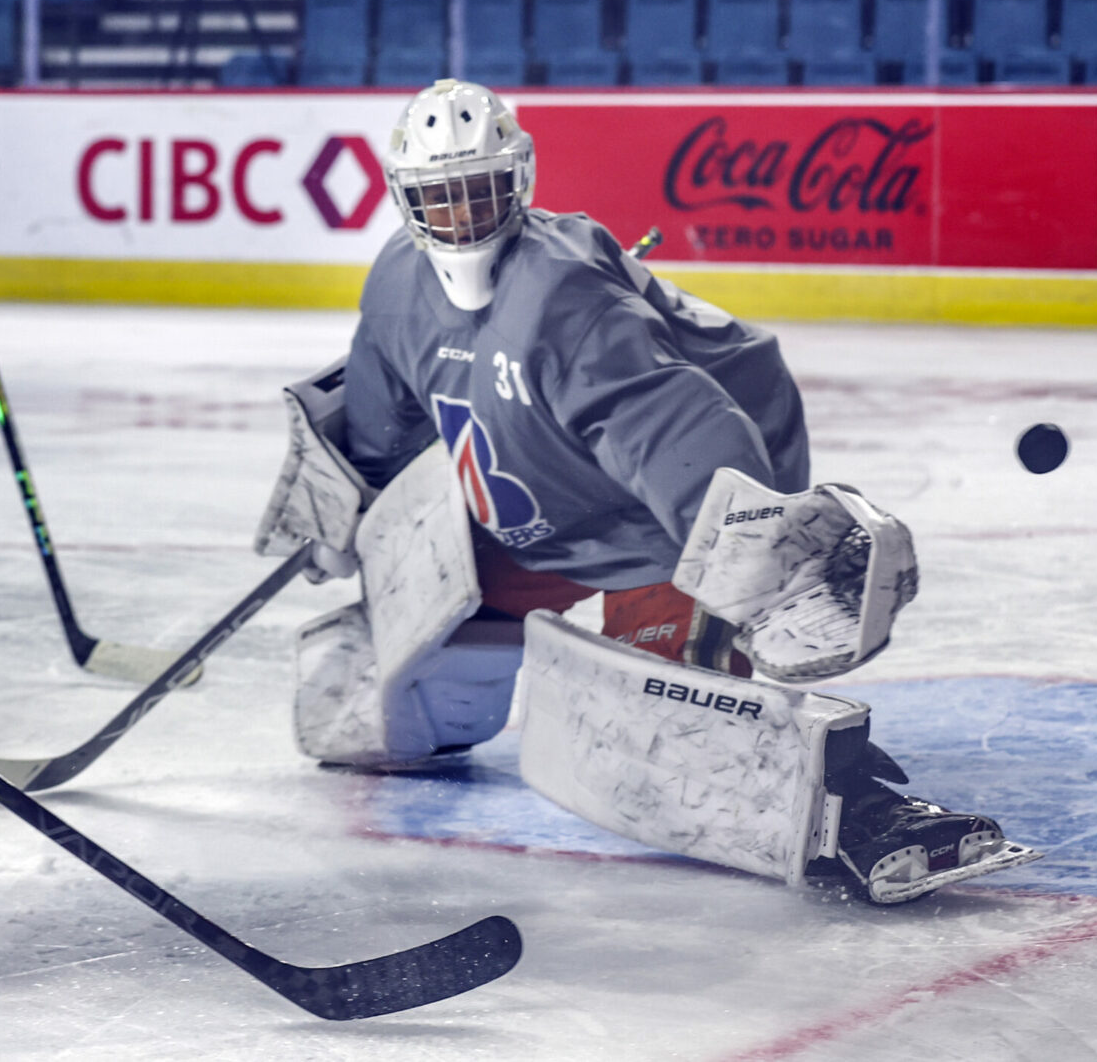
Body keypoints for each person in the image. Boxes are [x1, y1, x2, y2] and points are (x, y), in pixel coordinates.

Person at [256, 79, 1039, 906]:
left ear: (517, 180)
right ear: (404, 198)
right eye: (439, 198)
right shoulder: (395, 283)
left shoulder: (562, 303)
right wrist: (348, 502)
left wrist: (751, 566)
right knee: (380, 702)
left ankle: (866, 811)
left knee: (675, 737)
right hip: (538, 505)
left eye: (478, 190)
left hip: (655, 522)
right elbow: (385, 418)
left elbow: (685, 436)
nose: (461, 217)